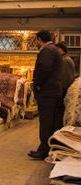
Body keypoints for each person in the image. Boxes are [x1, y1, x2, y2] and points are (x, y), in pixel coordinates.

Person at [28, 30, 63, 160]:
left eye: (36, 40)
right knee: (51, 121)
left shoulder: (47, 50)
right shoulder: (54, 50)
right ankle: (48, 147)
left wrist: (37, 83)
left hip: (47, 92)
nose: (35, 43)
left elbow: (45, 69)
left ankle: (43, 149)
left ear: (39, 39)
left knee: (46, 122)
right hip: (53, 91)